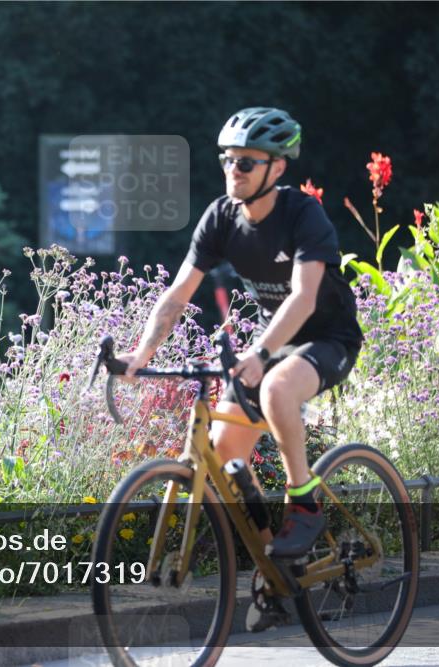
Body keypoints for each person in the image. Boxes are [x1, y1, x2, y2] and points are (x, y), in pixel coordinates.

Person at [118, 106, 363, 604]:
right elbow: (177, 294)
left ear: (277, 168)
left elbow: (304, 298)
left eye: (247, 163)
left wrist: (260, 351)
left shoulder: (302, 215)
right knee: (226, 458)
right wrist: (141, 353)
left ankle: (305, 505)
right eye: (228, 160)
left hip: (327, 339)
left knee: (275, 387)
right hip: (273, 342)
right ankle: (275, 576)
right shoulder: (221, 217)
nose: (234, 170)